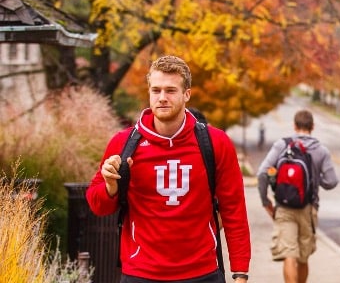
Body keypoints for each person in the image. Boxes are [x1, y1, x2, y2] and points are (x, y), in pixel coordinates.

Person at [86, 55, 251, 282]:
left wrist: (240, 272)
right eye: (156, 90)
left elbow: (234, 210)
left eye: (171, 90)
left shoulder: (215, 142)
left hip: (202, 272)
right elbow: (98, 206)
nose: (162, 98)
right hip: (140, 273)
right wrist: (110, 185)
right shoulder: (124, 144)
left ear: (187, 94)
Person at [257, 109, 339, 283]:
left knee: (289, 255)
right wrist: (316, 180)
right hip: (308, 208)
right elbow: (332, 181)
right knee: (303, 257)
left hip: (283, 207)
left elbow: (262, 173)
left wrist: (266, 201)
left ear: (294, 126)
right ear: (312, 127)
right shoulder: (321, 150)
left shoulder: (282, 145)